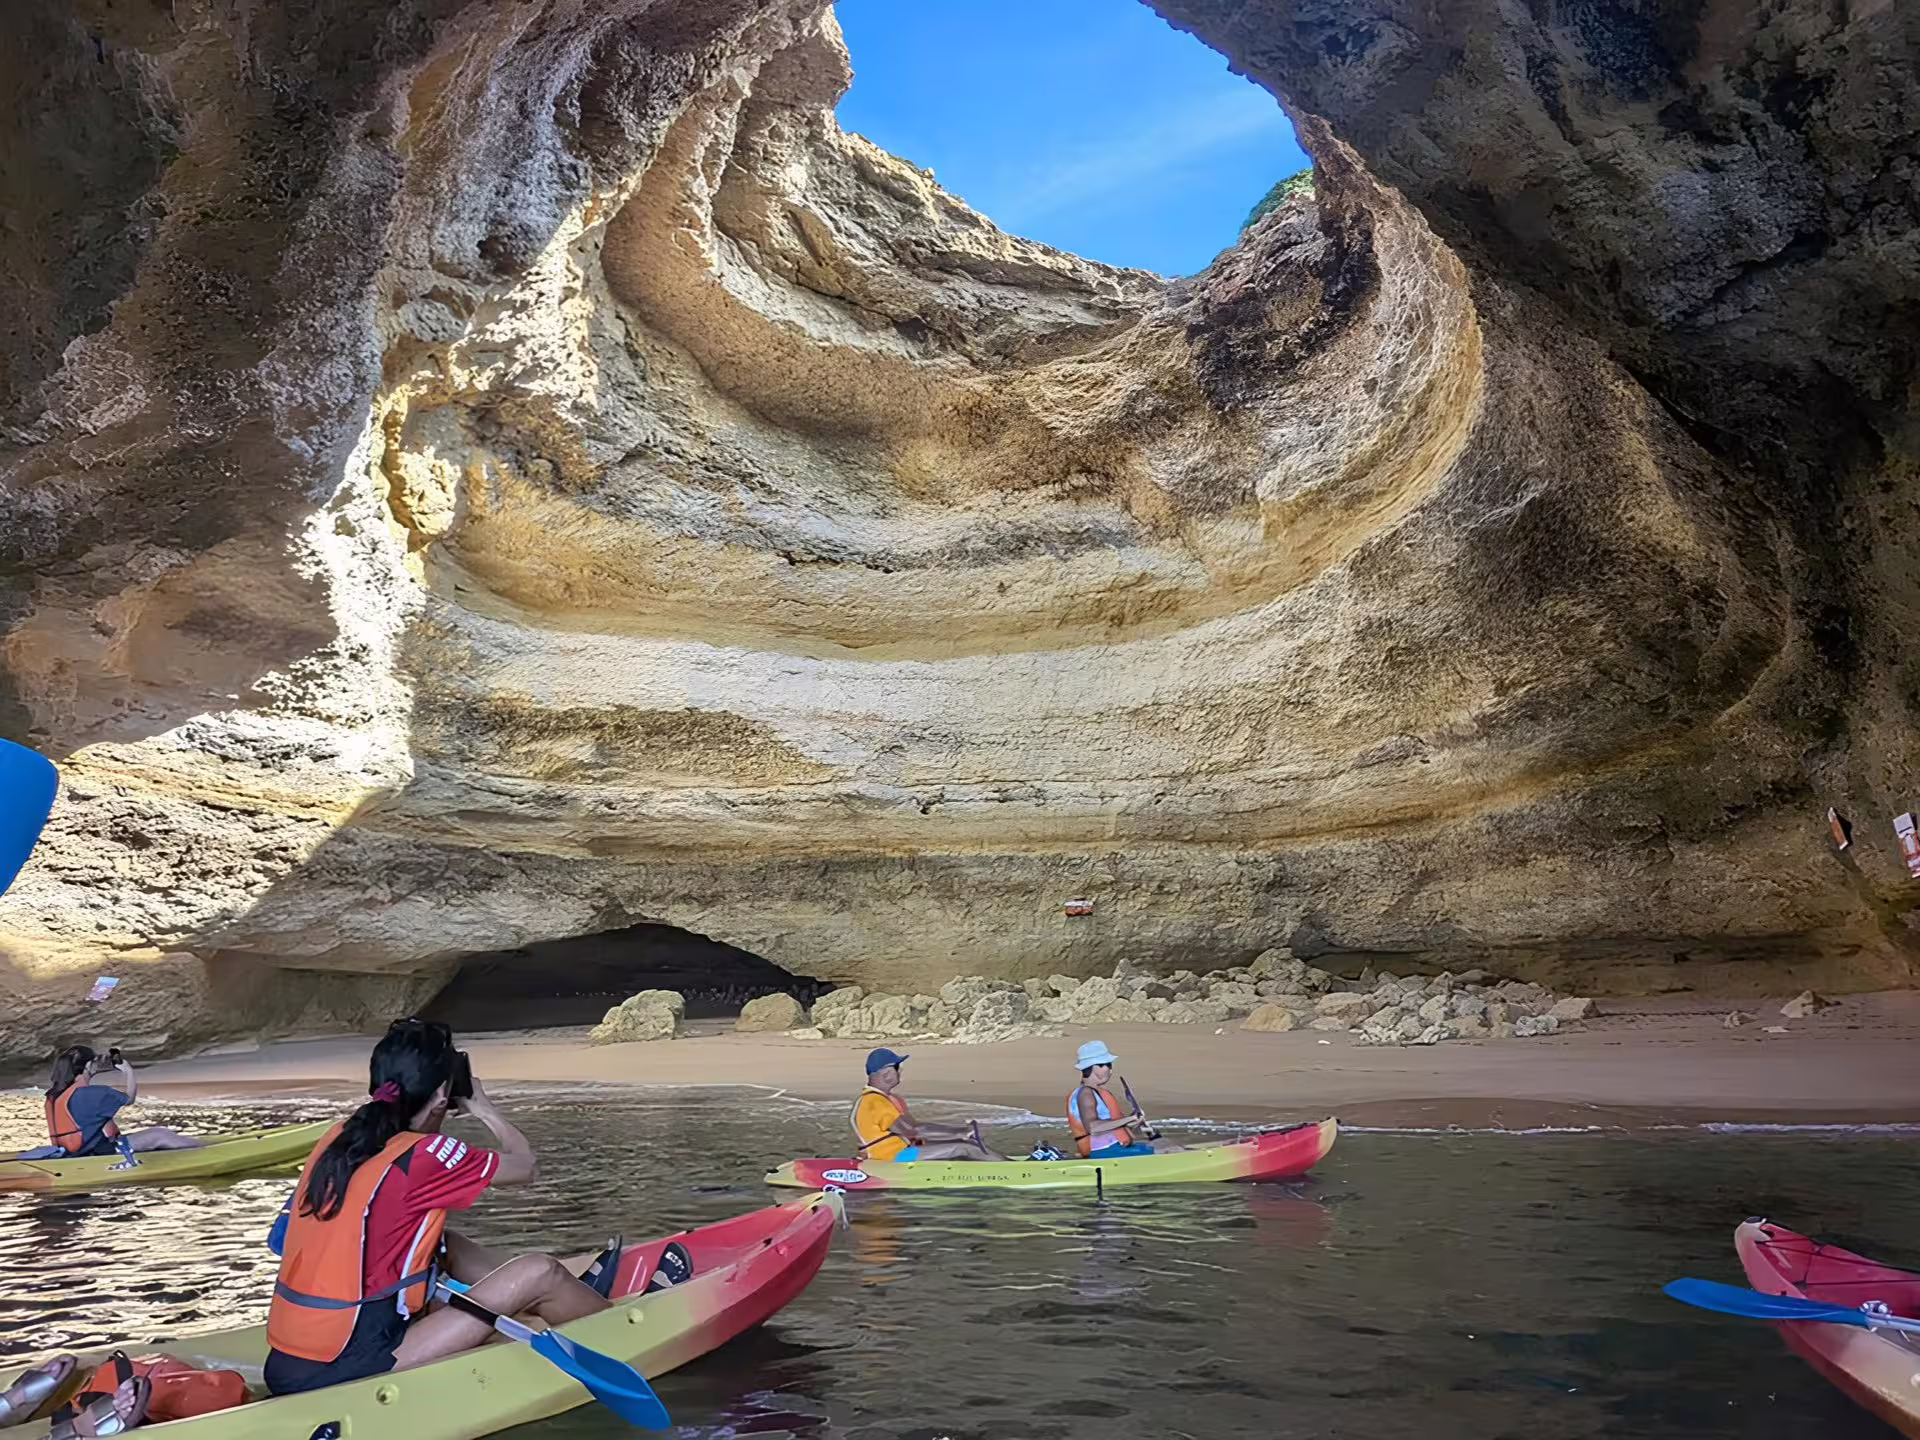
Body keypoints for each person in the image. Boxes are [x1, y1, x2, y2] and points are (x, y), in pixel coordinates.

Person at [262, 1018, 622, 1396]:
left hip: (290, 1360)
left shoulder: (340, 1137)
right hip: (356, 1360)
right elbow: (526, 1167)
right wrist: (484, 1108)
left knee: (441, 1241)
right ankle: (615, 1329)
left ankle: (560, 1298)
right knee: (540, 1271)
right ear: (440, 1095)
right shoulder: (422, 1156)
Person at [42, 1045, 202, 1159]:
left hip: (70, 1151)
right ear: (89, 1065)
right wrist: (128, 1071)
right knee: (159, 1134)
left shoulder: (53, 1096)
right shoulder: (96, 1093)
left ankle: (196, 1147)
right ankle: (205, 1151)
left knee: (149, 1136)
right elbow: (130, 1098)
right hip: (96, 1152)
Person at [852, 1049, 1001, 1162]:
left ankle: (1007, 1166)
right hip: (894, 1156)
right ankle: (1016, 1171)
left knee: (962, 1143)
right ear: (887, 1074)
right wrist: (961, 1132)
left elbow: (913, 1130)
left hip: (900, 1150)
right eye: (899, 1068)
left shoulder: (877, 1099)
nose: (901, 1072)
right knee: (963, 1147)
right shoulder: (875, 1102)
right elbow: (914, 1131)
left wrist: (959, 1134)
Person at [1066, 1041, 1157, 1158]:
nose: (1110, 1070)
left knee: (1155, 1145)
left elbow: (1111, 1126)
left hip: (1115, 1148)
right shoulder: (1086, 1094)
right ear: (1094, 1068)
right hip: (1103, 1152)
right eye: (1107, 1065)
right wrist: (1129, 1118)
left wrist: (1133, 1121)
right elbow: (1093, 1127)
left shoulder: (1095, 1093)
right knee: (1162, 1150)